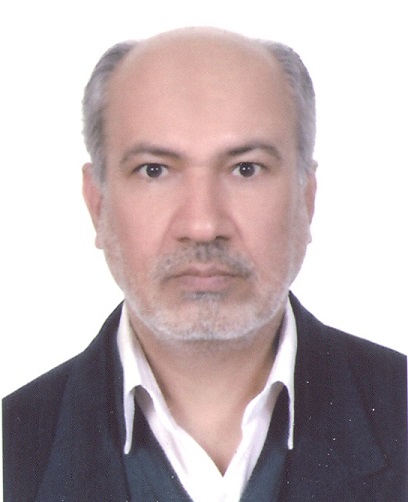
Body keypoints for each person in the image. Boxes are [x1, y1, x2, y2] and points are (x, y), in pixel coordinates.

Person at [3, 27, 406, 502]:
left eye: (246, 169)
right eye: (154, 170)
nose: (202, 225)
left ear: (307, 197)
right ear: (98, 204)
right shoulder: (13, 443)